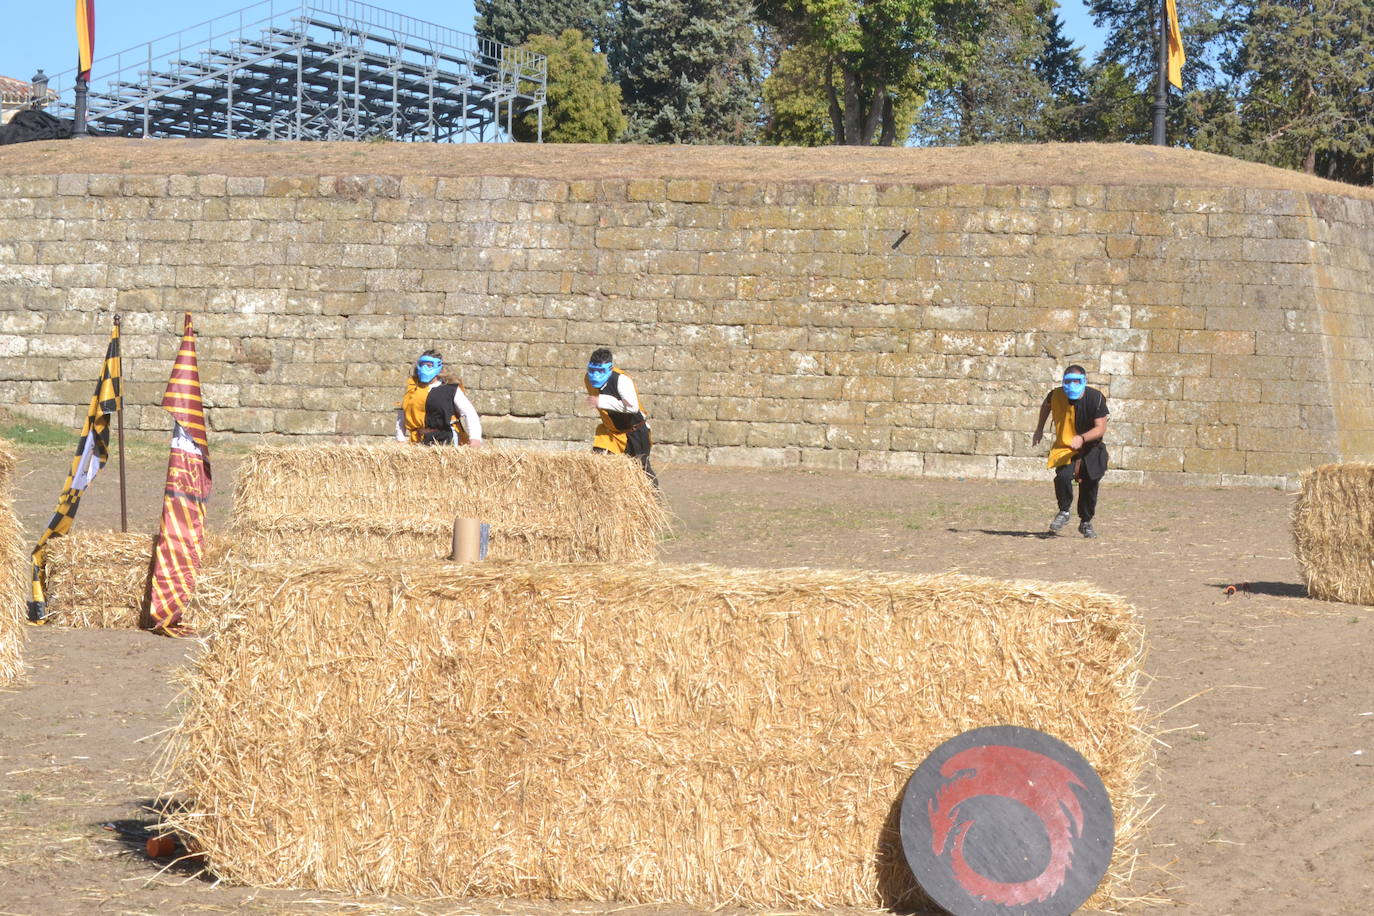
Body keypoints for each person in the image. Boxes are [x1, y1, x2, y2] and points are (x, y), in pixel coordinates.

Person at [1032, 365, 1109, 538]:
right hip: (1066, 446)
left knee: (1090, 483)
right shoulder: (1057, 395)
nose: (1072, 385)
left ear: (1083, 381)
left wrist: (1082, 438)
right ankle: (1064, 511)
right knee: (1063, 477)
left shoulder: (1095, 398)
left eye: (1076, 381)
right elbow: (1046, 405)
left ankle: (1086, 522)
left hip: (1091, 447)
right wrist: (1039, 429)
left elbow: (1100, 427)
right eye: (1068, 381)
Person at [584, 347, 657, 486]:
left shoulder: (622, 380)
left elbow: (632, 407)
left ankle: (654, 503)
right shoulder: (587, 379)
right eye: (592, 370)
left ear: (610, 369)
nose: (595, 375)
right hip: (611, 432)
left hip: (635, 432)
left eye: (600, 371)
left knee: (642, 471)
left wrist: (601, 401)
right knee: (597, 463)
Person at [396, 349, 484, 447]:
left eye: (429, 365)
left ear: (437, 367)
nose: (425, 368)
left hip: (445, 440)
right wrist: (400, 439)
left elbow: (469, 412)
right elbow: (402, 416)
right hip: (418, 440)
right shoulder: (412, 389)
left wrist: (475, 438)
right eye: (422, 364)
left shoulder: (450, 390)